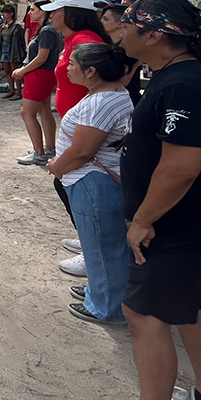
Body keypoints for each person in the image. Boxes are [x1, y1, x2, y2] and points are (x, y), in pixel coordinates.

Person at [89, 0, 201, 400]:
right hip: (198, 222)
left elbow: (179, 168)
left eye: (128, 26)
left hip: (178, 229)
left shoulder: (181, 84)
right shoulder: (177, 74)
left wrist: (142, 219)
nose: (119, 32)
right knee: (192, 310)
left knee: (143, 314)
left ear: (154, 35)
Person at [46, 44, 134, 326]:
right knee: (102, 241)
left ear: (91, 71)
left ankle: (106, 306)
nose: (67, 68)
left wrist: (56, 167)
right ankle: (101, 290)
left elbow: (82, 151)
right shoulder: (112, 93)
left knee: (102, 244)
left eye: (72, 63)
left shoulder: (100, 102)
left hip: (92, 181)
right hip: (96, 179)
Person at [41, 0, 111, 117]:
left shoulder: (83, 39)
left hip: (83, 121)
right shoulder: (73, 40)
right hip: (74, 121)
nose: (50, 16)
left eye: (56, 10)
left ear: (72, 15)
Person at [12, 0, 63, 166]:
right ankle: (48, 148)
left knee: (27, 112)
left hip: (39, 74)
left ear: (43, 11)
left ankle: (39, 152)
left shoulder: (47, 31)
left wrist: (22, 70)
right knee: (44, 110)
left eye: (33, 9)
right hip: (44, 74)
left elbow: (42, 57)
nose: (30, 13)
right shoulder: (48, 30)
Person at [100, 4, 144, 106]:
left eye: (105, 19)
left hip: (127, 100)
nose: (101, 22)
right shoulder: (115, 45)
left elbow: (123, 82)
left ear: (120, 24)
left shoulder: (125, 48)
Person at [0, 4, 27, 100]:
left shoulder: (17, 26)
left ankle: (18, 92)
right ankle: (11, 90)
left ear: (11, 14)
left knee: (15, 71)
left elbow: (21, 39)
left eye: (6, 13)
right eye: (3, 13)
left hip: (14, 49)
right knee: (7, 71)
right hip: (4, 48)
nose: (4, 15)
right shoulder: (3, 26)